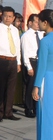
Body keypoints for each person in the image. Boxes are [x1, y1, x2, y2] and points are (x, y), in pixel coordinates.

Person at [0, 6, 21, 122]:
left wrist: (19, 62)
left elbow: (17, 47)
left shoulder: (15, 30)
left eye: (10, 16)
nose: (7, 18)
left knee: (11, 88)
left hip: (13, 60)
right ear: (2, 16)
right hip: (0, 60)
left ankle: (8, 112)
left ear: (13, 18)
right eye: (5, 16)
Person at [32, 9, 53, 140]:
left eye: (39, 21)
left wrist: (36, 85)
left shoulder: (46, 41)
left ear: (45, 22)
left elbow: (42, 66)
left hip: (47, 80)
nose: (37, 23)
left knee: (45, 114)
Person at [21, 13, 43, 118]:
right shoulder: (26, 35)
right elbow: (25, 52)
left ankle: (35, 107)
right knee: (30, 86)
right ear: (30, 23)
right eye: (35, 21)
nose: (38, 24)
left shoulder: (40, 34)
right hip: (31, 61)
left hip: (39, 61)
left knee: (37, 85)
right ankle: (28, 108)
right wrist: (28, 66)